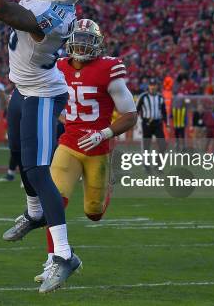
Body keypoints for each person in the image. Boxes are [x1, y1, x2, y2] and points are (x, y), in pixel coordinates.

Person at [0, 0, 88, 292]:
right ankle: (34, 214)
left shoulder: (51, 16)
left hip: (43, 92)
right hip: (23, 87)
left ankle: (63, 255)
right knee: (18, 154)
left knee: (38, 168)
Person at [33, 19, 137, 282]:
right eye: (78, 38)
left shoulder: (108, 69)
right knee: (53, 201)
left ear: (98, 44)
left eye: (88, 40)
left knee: (94, 213)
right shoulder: (57, 67)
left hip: (98, 148)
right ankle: (53, 259)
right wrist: (63, 118)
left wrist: (104, 133)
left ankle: (106, 188)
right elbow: (48, 101)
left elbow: (130, 115)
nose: (81, 44)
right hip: (68, 144)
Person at [136, 78, 167, 166]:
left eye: (154, 85)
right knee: (146, 145)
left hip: (157, 123)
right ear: (148, 86)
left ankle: (158, 164)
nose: (152, 87)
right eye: (151, 85)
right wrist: (135, 122)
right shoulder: (143, 96)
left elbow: (164, 111)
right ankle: (146, 164)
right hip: (147, 123)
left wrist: (166, 123)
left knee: (162, 144)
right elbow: (136, 110)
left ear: (157, 86)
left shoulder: (160, 97)